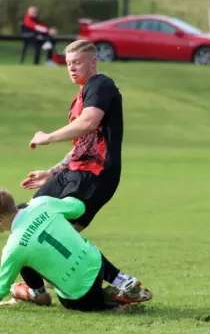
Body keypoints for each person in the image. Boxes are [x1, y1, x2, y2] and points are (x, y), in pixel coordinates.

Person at [17, 40, 138, 300]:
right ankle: (36, 290)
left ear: (92, 63)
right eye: (68, 63)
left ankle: (122, 282)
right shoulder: (81, 95)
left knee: (49, 228)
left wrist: (47, 137)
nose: (71, 67)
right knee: (28, 219)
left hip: (95, 174)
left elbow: (88, 123)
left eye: (78, 62)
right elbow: (83, 143)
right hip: (75, 172)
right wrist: (53, 172)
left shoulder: (100, 84)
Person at [0, 189, 153, 311]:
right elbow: (78, 208)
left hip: (78, 295)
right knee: (78, 247)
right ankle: (118, 282)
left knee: (23, 263)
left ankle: (109, 302)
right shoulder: (42, 203)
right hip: (97, 263)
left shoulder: (14, 246)